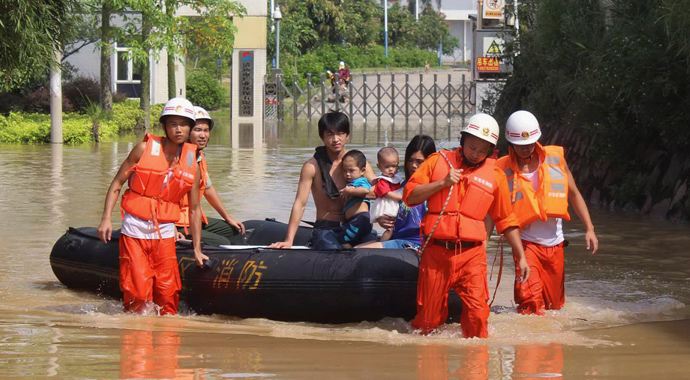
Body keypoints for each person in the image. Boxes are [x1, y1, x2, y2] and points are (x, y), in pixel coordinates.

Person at [403, 113, 530, 338]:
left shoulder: (496, 176)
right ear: (462, 141)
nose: (476, 154)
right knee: (427, 323)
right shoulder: (437, 161)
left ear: (491, 151)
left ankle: (476, 369)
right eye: (472, 147)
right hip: (436, 253)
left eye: (483, 150)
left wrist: (521, 256)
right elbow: (410, 196)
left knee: (478, 319)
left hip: (472, 256)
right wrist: (442, 183)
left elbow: (506, 220)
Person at [97, 97, 208, 316]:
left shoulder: (191, 163)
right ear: (165, 126)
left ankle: (167, 344)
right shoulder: (143, 149)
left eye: (184, 124)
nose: (178, 129)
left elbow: (195, 209)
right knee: (138, 294)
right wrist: (106, 219)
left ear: (190, 128)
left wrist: (197, 249)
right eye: (173, 124)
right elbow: (117, 183)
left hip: (165, 233)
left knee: (168, 295)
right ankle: (137, 341)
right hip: (134, 230)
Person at [496, 110, 599, 315]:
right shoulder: (502, 169)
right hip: (526, 245)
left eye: (529, 145)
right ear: (511, 144)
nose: (525, 149)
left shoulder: (555, 160)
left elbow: (574, 194)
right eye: (520, 146)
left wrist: (589, 228)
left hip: (555, 245)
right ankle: (527, 345)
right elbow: (493, 211)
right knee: (531, 305)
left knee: (554, 308)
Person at [269, 111, 374, 250]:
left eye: (340, 133)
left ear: (347, 136)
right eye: (330, 134)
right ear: (322, 137)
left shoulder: (360, 164)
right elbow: (300, 203)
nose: (336, 139)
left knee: (374, 250)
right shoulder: (311, 167)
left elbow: (378, 191)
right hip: (326, 228)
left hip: (356, 225)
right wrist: (289, 240)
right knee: (335, 254)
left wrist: (383, 217)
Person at [175, 106, 245, 246]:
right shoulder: (175, 158)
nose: (203, 135)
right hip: (176, 222)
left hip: (193, 218)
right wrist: (170, 228)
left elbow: (208, 188)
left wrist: (227, 217)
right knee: (221, 242)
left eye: (206, 130)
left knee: (234, 230)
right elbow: (161, 198)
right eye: (198, 130)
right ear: (187, 132)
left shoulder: (199, 156)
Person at [357, 135, 437, 250]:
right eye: (410, 160)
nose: (413, 166)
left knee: (359, 252)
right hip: (396, 239)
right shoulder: (402, 185)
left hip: (415, 245)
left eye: (419, 162)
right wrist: (382, 219)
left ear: (430, 162)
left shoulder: (433, 189)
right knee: (353, 250)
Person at [338, 149, 374, 248]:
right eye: (345, 170)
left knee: (342, 239)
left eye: (351, 170)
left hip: (360, 219)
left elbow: (365, 191)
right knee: (361, 239)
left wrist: (349, 191)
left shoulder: (360, 181)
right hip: (356, 220)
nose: (347, 174)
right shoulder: (352, 182)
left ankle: (351, 256)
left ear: (362, 171)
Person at [369, 146, 404, 242]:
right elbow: (388, 194)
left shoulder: (396, 178)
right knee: (390, 228)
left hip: (393, 204)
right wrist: (402, 197)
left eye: (394, 166)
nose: (391, 169)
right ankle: (382, 244)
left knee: (394, 227)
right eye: (387, 166)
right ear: (379, 166)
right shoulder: (382, 181)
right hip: (387, 207)